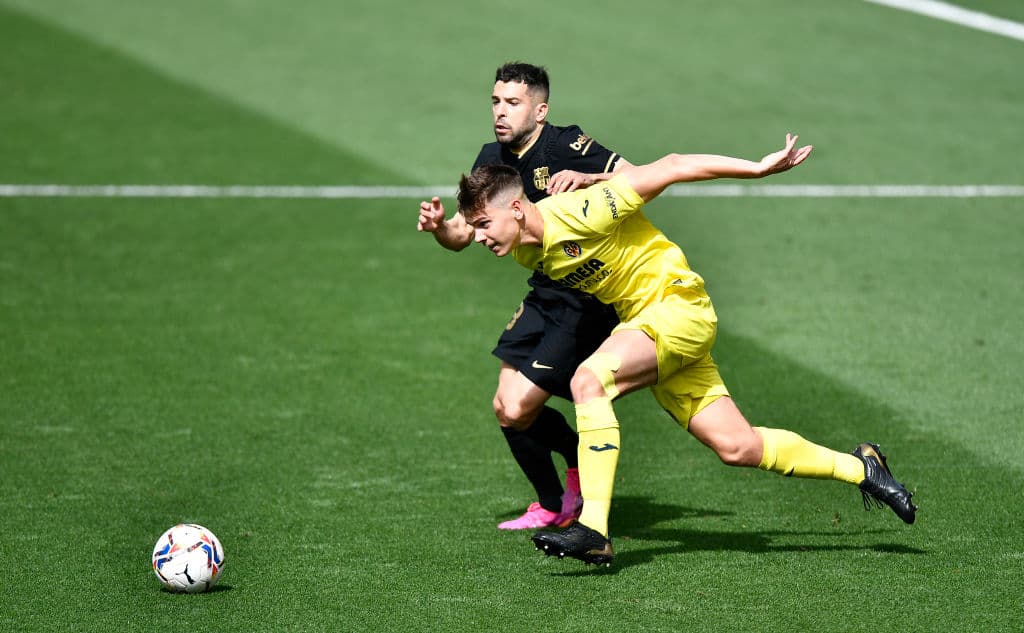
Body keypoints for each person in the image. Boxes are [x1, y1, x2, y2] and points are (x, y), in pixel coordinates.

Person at [456, 133, 917, 566]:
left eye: (483, 224)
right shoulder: (526, 250)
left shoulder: (581, 211)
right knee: (738, 446)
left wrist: (757, 168)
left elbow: (674, 165)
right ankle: (862, 467)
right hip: (651, 325)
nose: (478, 236)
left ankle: (593, 529)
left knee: (588, 381)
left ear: (516, 208)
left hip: (677, 307)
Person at [418, 62, 633, 530]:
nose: (500, 111)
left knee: (519, 407)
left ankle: (577, 468)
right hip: (544, 292)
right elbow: (461, 235)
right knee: (505, 407)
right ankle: (554, 503)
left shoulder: (565, 145)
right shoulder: (490, 158)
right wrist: (439, 228)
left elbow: (638, 177)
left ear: (540, 111)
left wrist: (587, 178)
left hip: (586, 296)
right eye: (496, 101)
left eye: (513, 103)